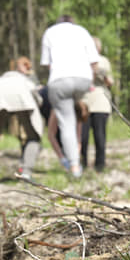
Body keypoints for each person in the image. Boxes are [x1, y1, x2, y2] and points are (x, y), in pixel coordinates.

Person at [40, 15, 99, 178]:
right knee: (76, 116)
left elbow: (46, 63)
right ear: (72, 22)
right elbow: (94, 62)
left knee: (66, 123)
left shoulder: (50, 32)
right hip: (83, 80)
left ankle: (74, 166)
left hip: (60, 81)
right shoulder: (82, 31)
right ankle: (78, 151)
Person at [0, 57, 43, 184]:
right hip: (23, 101)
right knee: (33, 137)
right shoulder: (25, 81)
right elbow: (37, 98)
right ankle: (26, 173)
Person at [80, 37, 114, 172]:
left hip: (101, 103)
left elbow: (110, 83)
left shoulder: (104, 61)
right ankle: (82, 164)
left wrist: (102, 74)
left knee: (100, 136)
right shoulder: (81, 61)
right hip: (84, 102)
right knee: (83, 137)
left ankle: (100, 165)